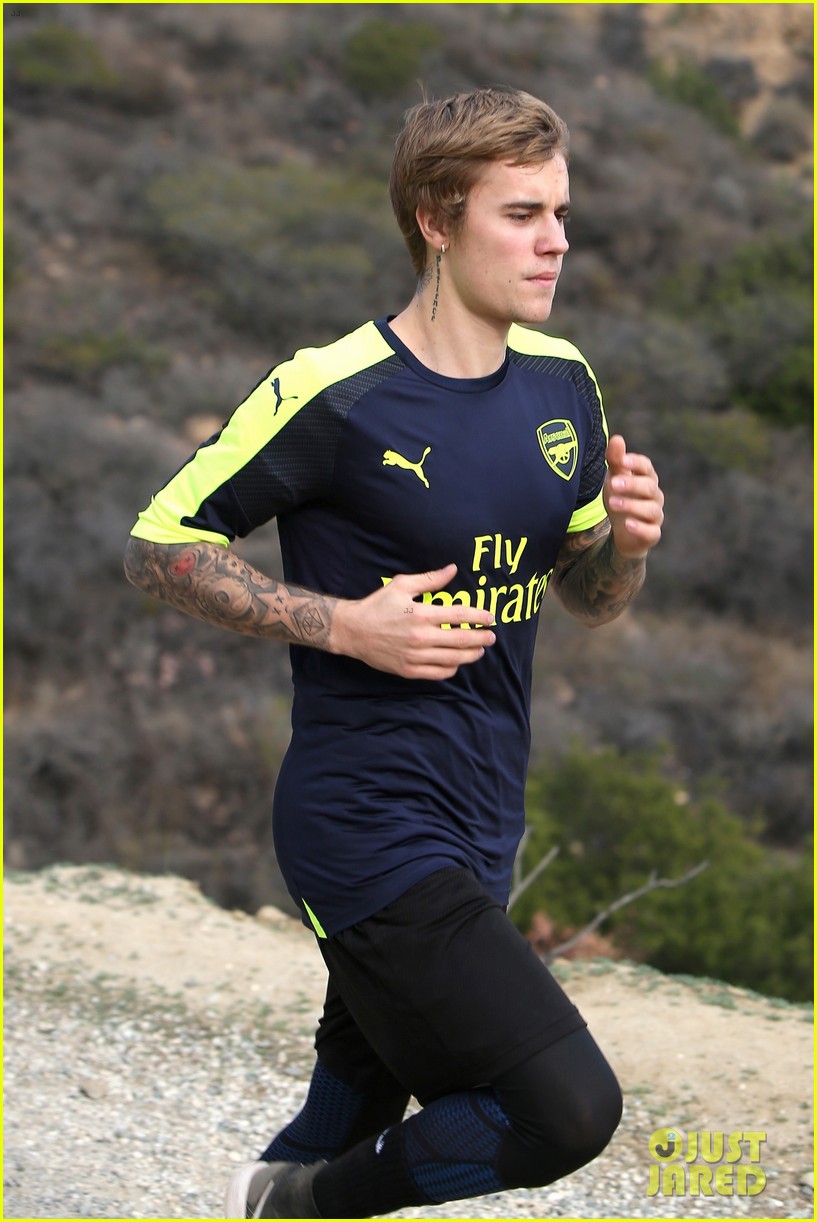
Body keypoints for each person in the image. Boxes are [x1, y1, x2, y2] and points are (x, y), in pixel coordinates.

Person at [124, 86, 664, 1219]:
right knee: (563, 1108)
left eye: (560, 213)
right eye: (521, 214)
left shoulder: (562, 380)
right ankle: (300, 1207)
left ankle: (274, 1196)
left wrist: (626, 545)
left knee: (349, 1112)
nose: (556, 241)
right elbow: (159, 545)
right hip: (364, 823)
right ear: (434, 218)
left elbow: (587, 599)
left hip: (483, 818)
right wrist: (344, 623)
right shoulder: (332, 392)